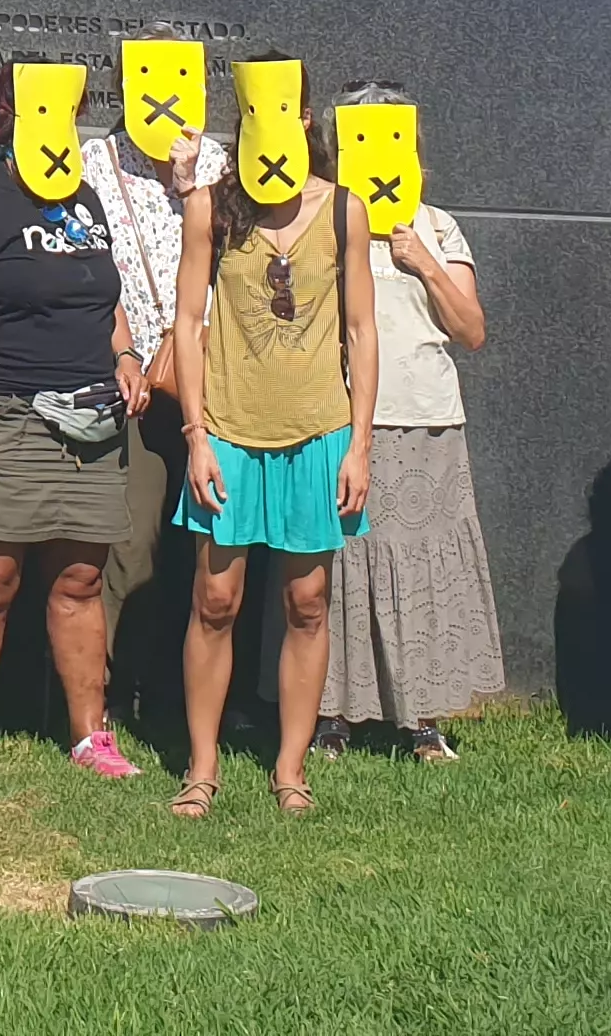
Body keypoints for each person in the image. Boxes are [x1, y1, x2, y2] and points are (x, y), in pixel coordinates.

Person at [0, 60, 152, 778]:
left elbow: (105, 295)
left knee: (79, 582)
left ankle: (90, 739)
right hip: (4, 415)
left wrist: (126, 353)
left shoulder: (85, 200)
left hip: (89, 422)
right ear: (7, 110)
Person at [163, 80, 378, 817]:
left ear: (306, 117)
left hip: (318, 433)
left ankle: (291, 769)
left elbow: (362, 331)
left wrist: (360, 444)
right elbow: (187, 321)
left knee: (307, 602)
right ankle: (202, 767)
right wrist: (196, 435)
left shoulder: (345, 209)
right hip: (228, 431)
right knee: (215, 599)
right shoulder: (211, 208)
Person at [315, 82, 498, 760]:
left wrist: (423, 263)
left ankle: (421, 718)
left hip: (425, 418)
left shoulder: (439, 227)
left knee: (423, 571)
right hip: (340, 414)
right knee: (338, 565)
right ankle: (331, 714)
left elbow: (471, 330)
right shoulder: (324, 221)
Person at [78, 50, 224, 716]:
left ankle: (187, 695)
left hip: (216, 377)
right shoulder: (93, 163)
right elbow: (89, 266)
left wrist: (191, 185)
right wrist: (124, 353)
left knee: (213, 547)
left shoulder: (224, 165)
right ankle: (108, 694)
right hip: (135, 379)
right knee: (132, 545)